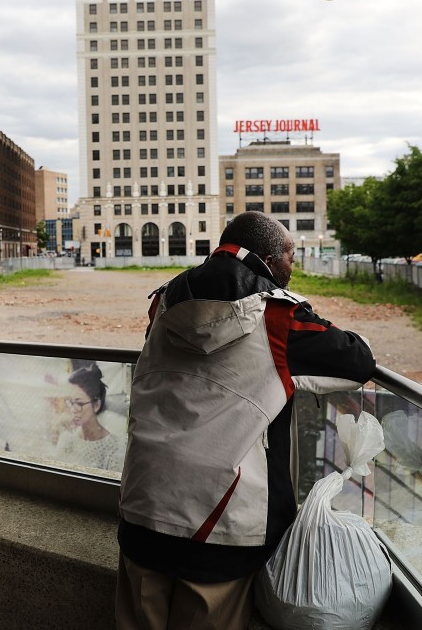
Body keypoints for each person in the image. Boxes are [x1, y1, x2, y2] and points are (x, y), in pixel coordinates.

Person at [115, 212, 377, 629]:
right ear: (270, 259)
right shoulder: (278, 317)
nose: (294, 267)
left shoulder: (163, 302)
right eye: (291, 257)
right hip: (218, 526)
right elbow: (357, 359)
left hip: (143, 505)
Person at [54, 363, 125, 471]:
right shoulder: (68, 438)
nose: (73, 410)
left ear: (96, 405)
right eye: (70, 402)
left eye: (79, 404)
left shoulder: (113, 447)